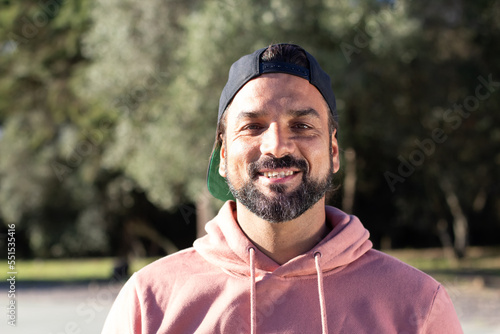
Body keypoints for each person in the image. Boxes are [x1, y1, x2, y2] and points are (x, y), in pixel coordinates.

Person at [102, 43, 463, 334]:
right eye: (253, 126)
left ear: (333, 151)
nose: (277, 146)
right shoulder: (148, 304)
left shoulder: (418, 306)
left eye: (302, 126)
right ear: (224, 157)